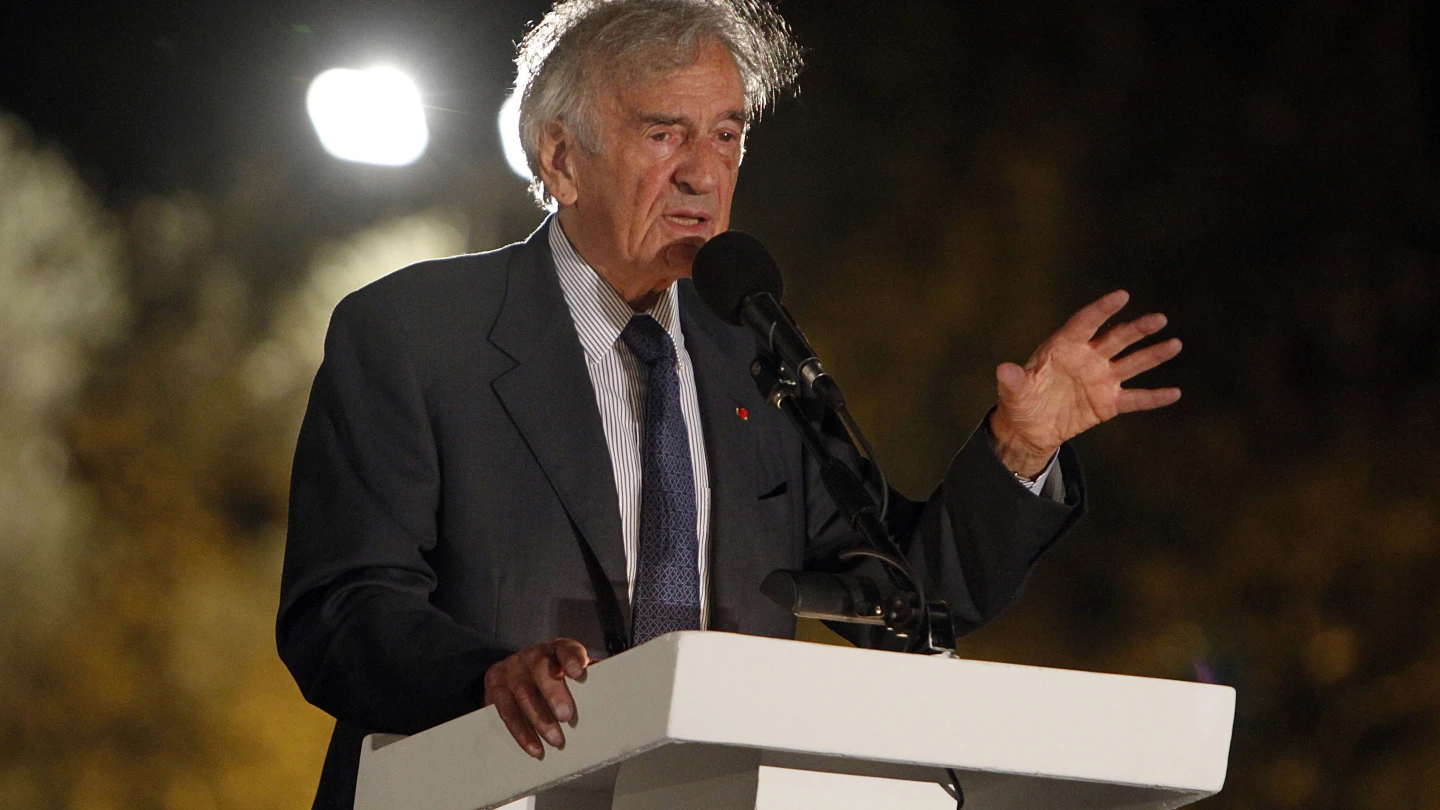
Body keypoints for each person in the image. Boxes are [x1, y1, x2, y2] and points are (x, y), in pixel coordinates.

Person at [276, 1, 1183, 807]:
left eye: (727, 135)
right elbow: (341, 609)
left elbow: (905, 597)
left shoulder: (752, 351)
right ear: (560, 157)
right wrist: (484, 679)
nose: (705, 175)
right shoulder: (414, 334)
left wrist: (1019, 449)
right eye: (666, 133)